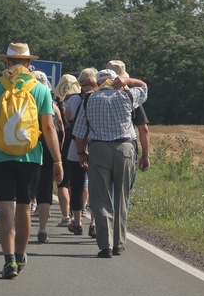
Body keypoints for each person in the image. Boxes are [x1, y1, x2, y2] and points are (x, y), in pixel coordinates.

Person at [0, 43, 63, 279]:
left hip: (0, 156)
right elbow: (48, 127)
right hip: (31, 156)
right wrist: (57, 160)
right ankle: (20, 255)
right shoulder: (40, 89)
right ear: (28, 63)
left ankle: (8, 261)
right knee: (24, 209)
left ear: (7, 62)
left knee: (6, 208)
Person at [72, 68, 148, 258]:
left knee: (101, 198)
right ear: (116, 81)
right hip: (124, 149)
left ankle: (105, 245)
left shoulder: (89, 100)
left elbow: (79, 133)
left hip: (98, 150)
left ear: (98, 83)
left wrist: (82, 153)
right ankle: (119, 243)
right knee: (121, 197)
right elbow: (145, 87)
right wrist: (127, 79)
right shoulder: (127, 96)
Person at [63, 68, 98, 236]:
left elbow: (68, 118)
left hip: (76, 146)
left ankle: (77, 222)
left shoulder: (73, 99)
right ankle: (94, 223)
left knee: (76, 186)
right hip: (95, 146)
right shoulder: (100, 98)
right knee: (96, 186)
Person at [105, 60, 151, 180]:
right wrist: (145, 156)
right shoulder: (131, 98)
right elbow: (144, 129)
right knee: (123, 190)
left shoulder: (95, 97)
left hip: (100, 147)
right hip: (125, 146)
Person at [33, 70, 64, 243]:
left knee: (23, 190)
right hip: (47, 151)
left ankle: (17, 224)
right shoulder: (53, 106)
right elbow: (61, 132)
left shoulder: (25, 100)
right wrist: (58, 157)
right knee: (45, 191)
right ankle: (43, 229)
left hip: (27, 149)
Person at [53, 73, 81, 227]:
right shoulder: (80, 101)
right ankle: (78, 211)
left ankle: (65, 216)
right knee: (78, 180)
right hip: (78, 140)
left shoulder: (56, 104)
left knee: (62, 182)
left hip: (61, 141)